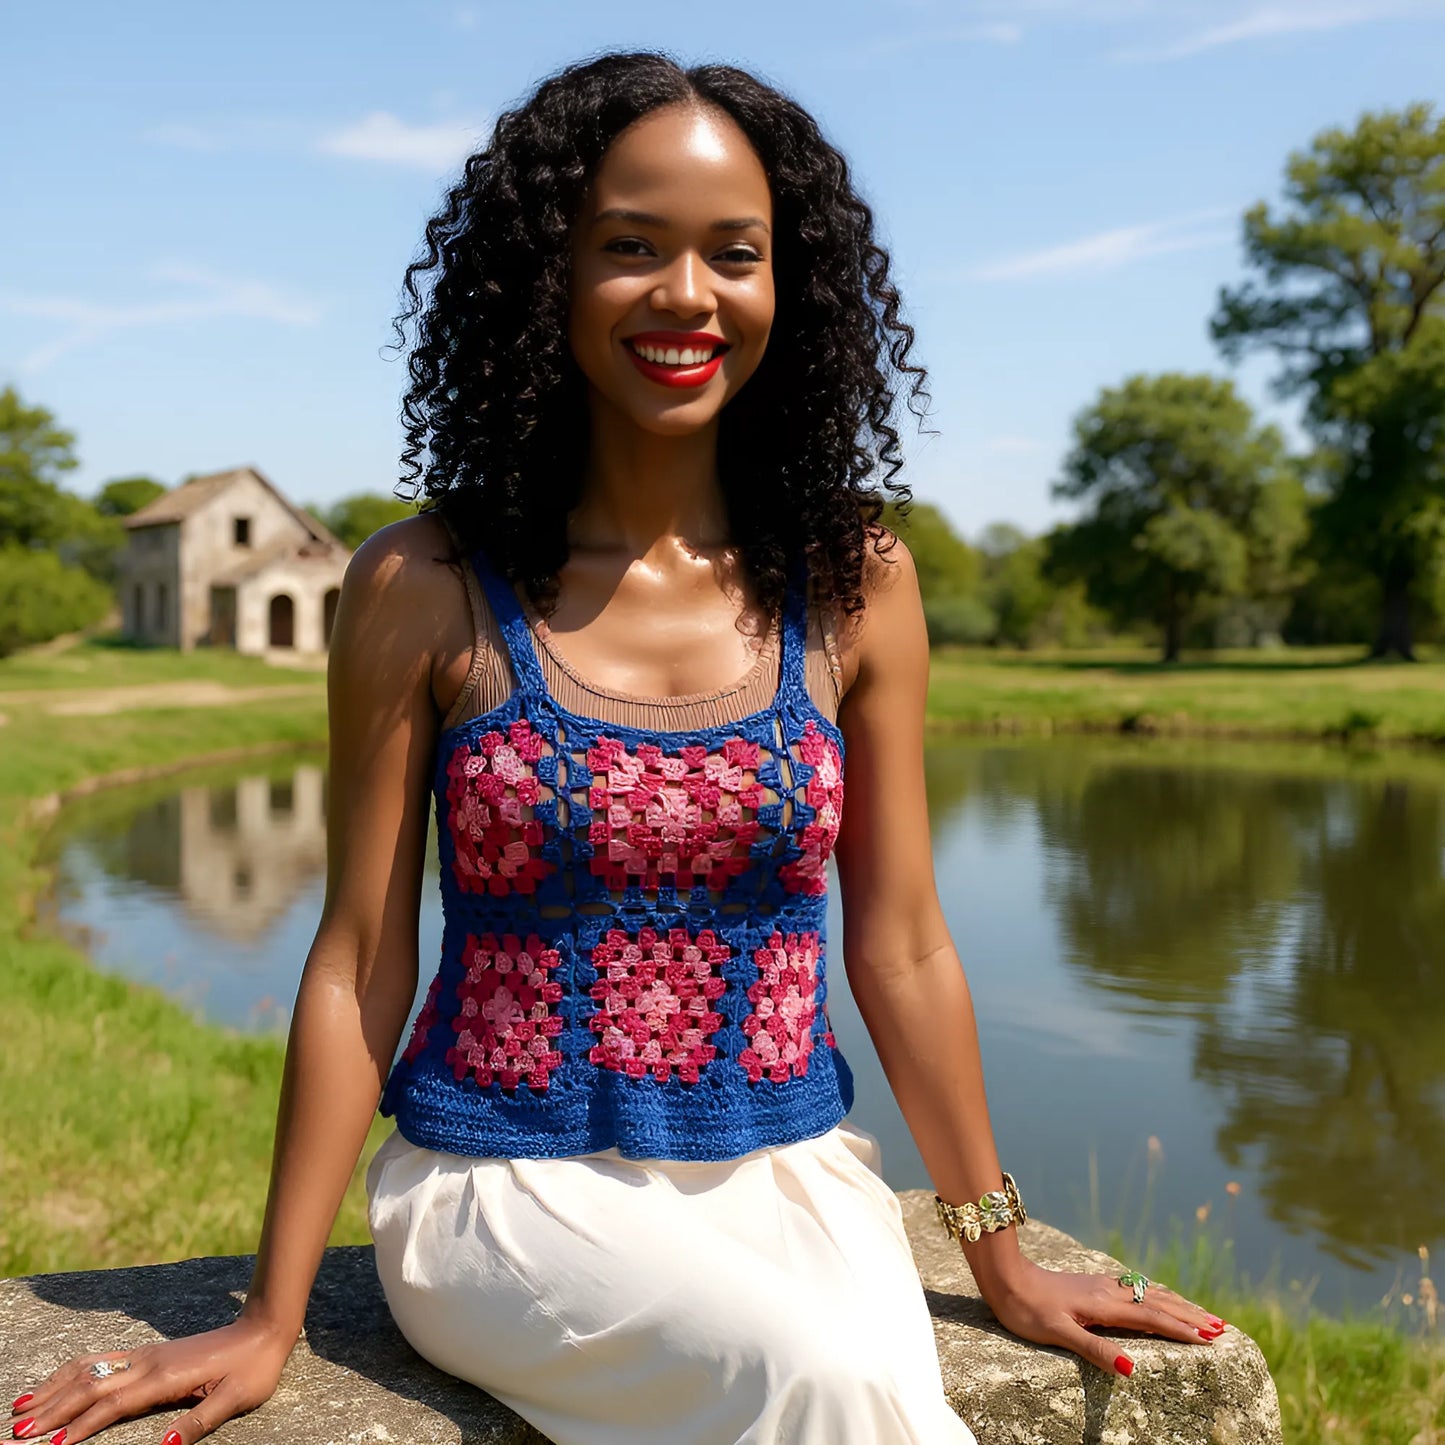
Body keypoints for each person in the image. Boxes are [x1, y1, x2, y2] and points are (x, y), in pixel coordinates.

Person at [7, 50, 1226, 1445]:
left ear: (792, 287)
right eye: (629, 248)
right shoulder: (427, 582)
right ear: (546, 276)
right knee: (818, 1385)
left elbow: (899, 945)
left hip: (792, 1181)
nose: (687, 296)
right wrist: (270, 1312)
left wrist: (996, 1248)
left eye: (733, 254)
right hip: (503, 1191)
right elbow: (357, 954)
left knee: (861, 1381)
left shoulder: (854, 579)